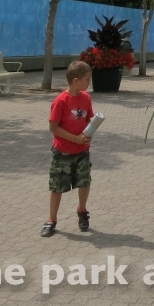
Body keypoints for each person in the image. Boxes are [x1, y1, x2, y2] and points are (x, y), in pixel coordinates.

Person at [41, 61, 94, 237]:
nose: (89, 83)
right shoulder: (60, 101)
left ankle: (82, 210)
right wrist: (75, 139)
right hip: (63, 151)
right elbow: (54, 127)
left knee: (84, 182)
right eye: (87, 79)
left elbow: (88, 118)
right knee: (57, 186)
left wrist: (90, 131)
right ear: (76, 80)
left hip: (82, 151)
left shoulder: (86, 98)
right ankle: (51, 219)